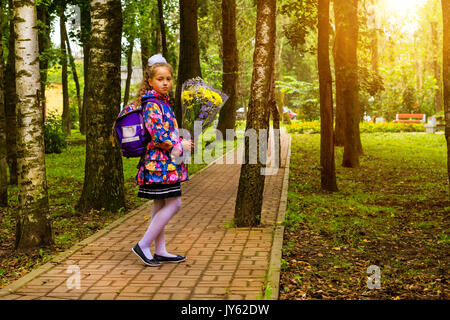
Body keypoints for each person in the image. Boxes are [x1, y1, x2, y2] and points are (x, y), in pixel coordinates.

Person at [131, 53, 193, 267]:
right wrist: (178, 145)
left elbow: (165, 130)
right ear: (150, 81)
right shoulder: (152, 103)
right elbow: (157, 134)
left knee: (160, 204)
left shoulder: (162, 102)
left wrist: (180, 140)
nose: (165, 82)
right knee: (174, 203)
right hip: (159, 164)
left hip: (164, 163)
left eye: (168, 79)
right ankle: (143, 245)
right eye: (160, 79)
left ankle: (161, 250)